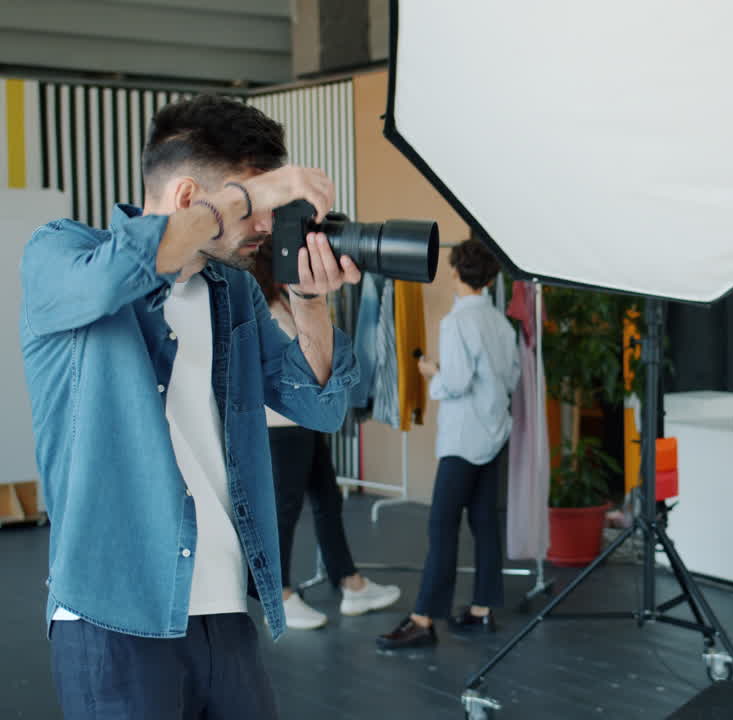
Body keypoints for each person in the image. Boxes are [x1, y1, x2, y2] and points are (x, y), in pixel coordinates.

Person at [21, 95, 362, 719]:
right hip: (111, 612)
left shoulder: (231, 291)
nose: (265, 224)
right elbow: (111, 279)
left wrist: (311, 302)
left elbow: (317, 405)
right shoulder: (59, 254)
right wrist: (251, 195)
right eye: (252, 206)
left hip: (222, 608)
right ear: (188, 200)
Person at [377, 238, 520, 650]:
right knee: (484, 524)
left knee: (441, 527)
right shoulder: (501, 324)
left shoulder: (457, 323)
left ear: (455, 272)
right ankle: (482, 610)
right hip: (493, 435)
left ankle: (423, 619)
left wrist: (429, 373)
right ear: (491, 278)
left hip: (461, 439)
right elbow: (511, 379)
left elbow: (454, 384)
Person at [249, 248, 401, 630]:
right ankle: (280, 596)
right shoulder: (263, 311)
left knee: (327, 500)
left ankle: (350, 582)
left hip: (302, 423)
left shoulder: (282, 301)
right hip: (281, 427)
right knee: (285, 510)